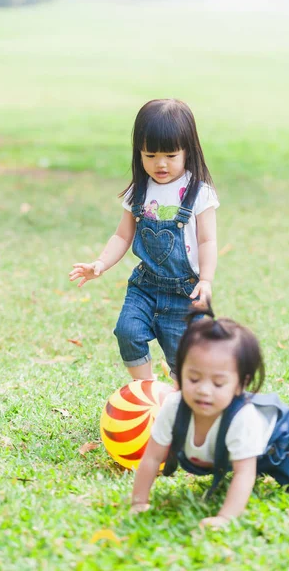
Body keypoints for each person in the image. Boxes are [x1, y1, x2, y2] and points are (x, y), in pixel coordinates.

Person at [130, 304, 289, 528]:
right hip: (231, 448)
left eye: (218, 383)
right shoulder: (174, 406)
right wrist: (138, 502)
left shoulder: (243, 418)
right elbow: (152, 458)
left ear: (241, 384)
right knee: (237, 456)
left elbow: (244, 474)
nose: (204, 390)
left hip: (272, 444)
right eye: (193, 379)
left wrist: (225, 518)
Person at [69, 99, 219, 382]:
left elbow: (207, 241)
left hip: (185, 292)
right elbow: (122, 235)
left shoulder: (198, 193)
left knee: (184, 358)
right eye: (150, 155)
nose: (160, 164)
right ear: (138, 152)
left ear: (188, 151)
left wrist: (206, 280)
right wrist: (100, 263)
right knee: (127, 331)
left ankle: (178, 404)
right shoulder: (139, 190)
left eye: (171, 155)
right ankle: (145, 391)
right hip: (146, 285)